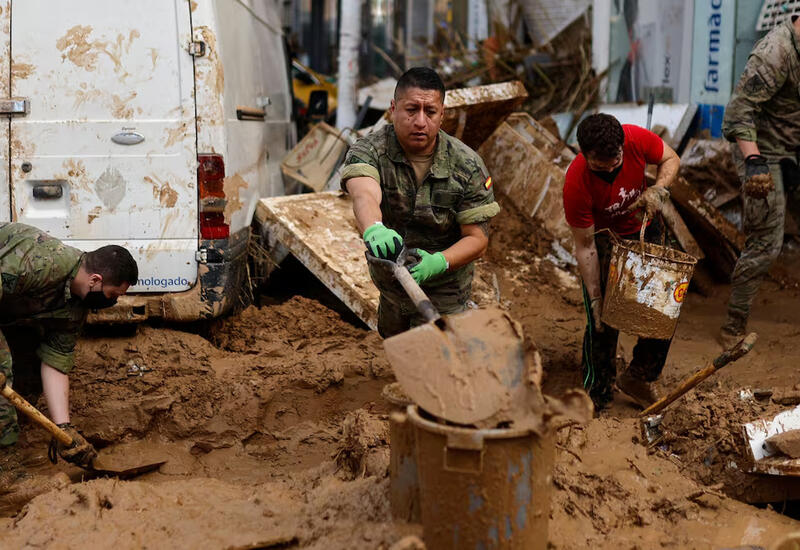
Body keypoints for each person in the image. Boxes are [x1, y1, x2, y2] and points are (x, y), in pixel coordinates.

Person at [341, 67, 500, 337]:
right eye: (411, 110)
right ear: (393, 109)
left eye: (431, 112)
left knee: (437, 362)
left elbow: (477, 239)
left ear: (442, 114)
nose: (420, 121)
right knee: (398, 355)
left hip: (445, 287)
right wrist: (374, 228)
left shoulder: (468, 165)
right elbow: (364, 193)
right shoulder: (369, 150)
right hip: (392, 285)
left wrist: (438, 262)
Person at [562, 113, 680, 410]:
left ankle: (639, 376)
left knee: (661, 309)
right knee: (602, 318)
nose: (611, 170)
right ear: (584, 154)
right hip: (603, 239)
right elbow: (585, 246)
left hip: (642, 227)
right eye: (601, 167)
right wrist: (595, 297)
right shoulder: (576, 183)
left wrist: (659, 189)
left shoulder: (636, 139)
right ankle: (597, 392)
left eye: (615, 162)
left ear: (622, 146)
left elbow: (671, 158)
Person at [0, 222, 137, 467]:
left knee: (27, 373)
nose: (113, 302)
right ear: (95, 279)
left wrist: (63, 428)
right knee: (2, 367)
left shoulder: (75, 308)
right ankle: (6, 470)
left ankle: (9, 446)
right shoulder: (43, 263)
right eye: (113, 295)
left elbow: (55, 361)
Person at [719, 15, 800, 348]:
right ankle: (733, 325)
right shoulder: (775, 52)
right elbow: (739, 115)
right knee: (767, 241)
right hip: (759, 149)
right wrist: (754, 164)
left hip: (793, 146)